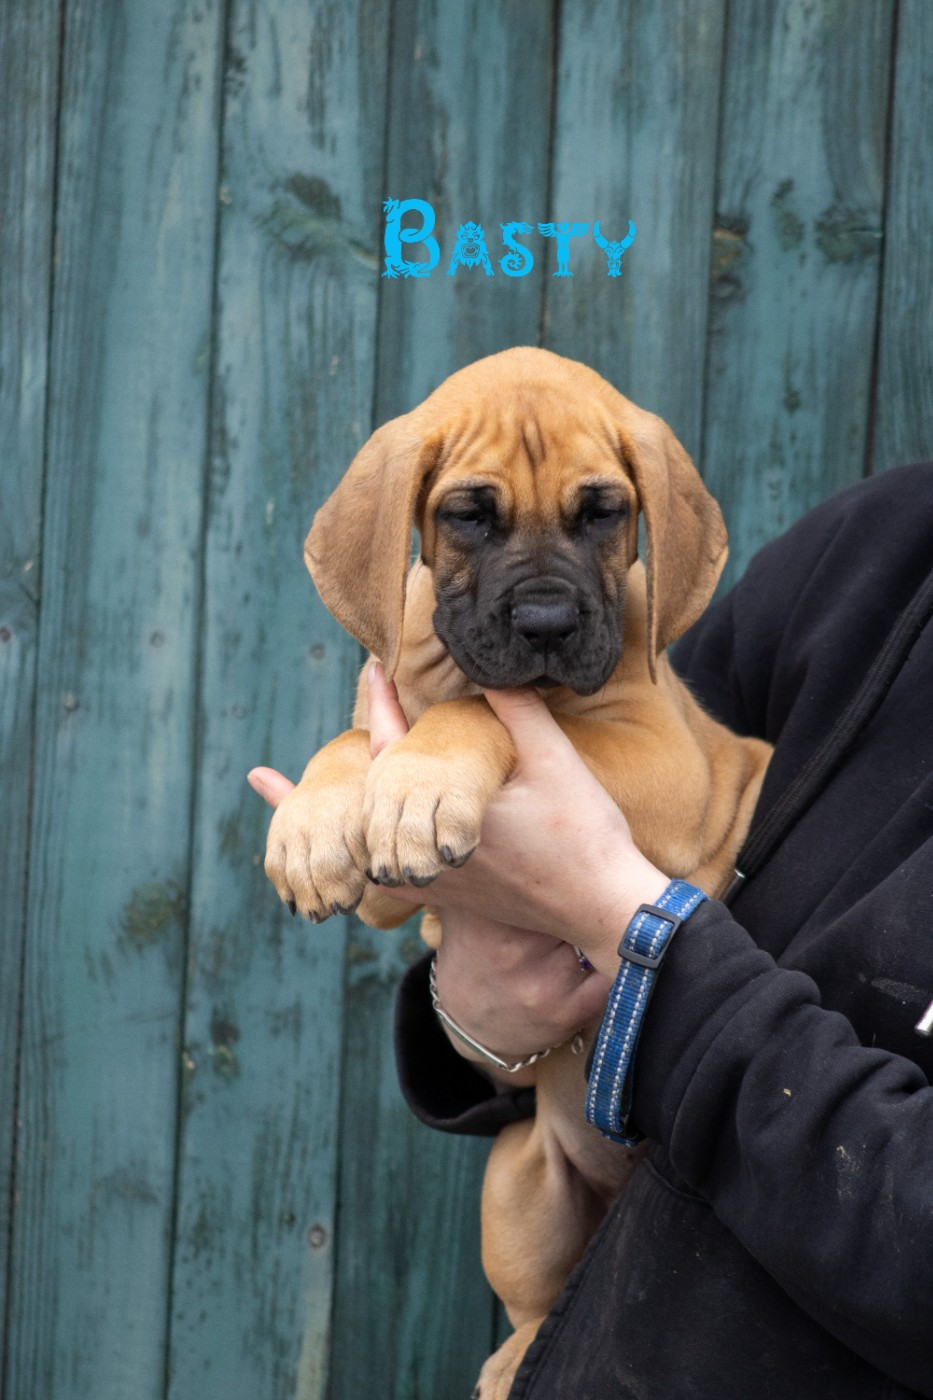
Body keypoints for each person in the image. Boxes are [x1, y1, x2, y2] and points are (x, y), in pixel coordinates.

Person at [249, 462, 933, 1398]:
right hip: (599, 1239)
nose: (540, 607)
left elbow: (663, 802)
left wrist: (477, 755)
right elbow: (417, 889)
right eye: (473, 521)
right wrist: (479, 1014)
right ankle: (533, 1324)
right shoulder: (880, 550)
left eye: (597, 518)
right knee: (525, 1191)